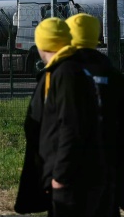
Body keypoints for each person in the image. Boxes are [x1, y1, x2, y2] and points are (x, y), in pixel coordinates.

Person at [15, 17, 123, 217]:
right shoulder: (112, 74)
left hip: (70, 173)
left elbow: (66, 126)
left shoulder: (65, 73)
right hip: (106, 167)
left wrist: (57, 173)